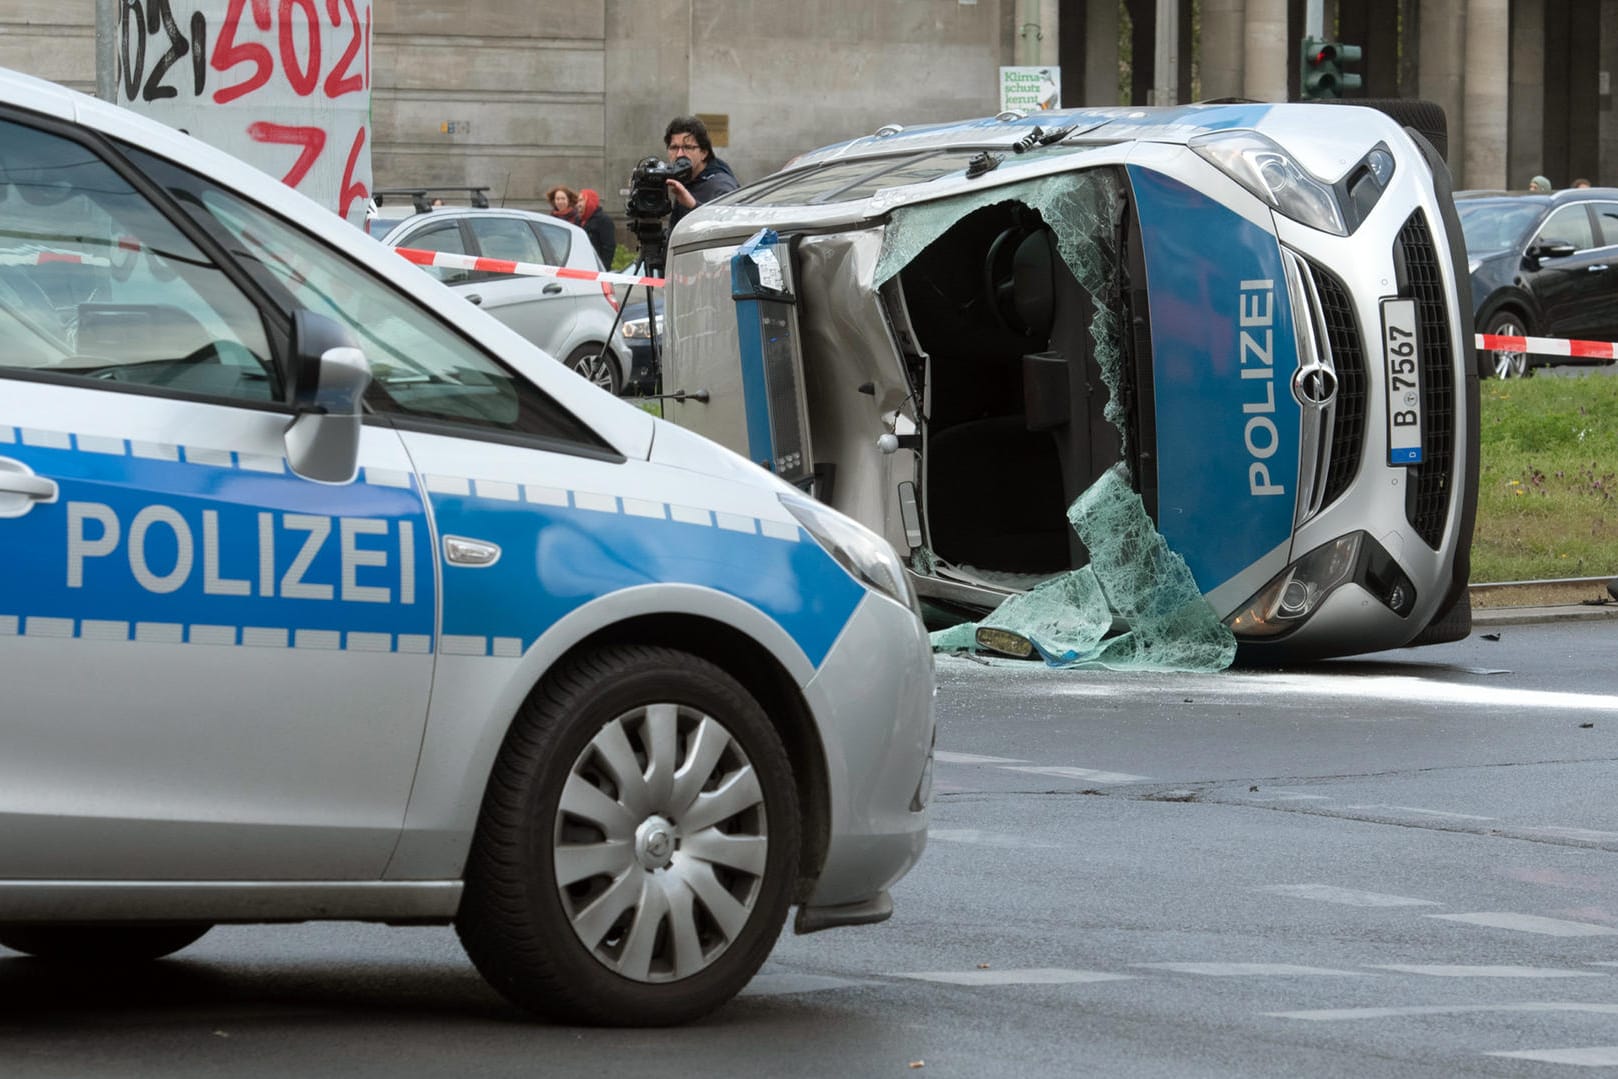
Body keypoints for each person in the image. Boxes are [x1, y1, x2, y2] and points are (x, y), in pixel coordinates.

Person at [663, 115, 738, 227]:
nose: (679, 155)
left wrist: (693, 205)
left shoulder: (721, 186)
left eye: (687, 147)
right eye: (674, 148)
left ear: (704, 153)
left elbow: (731, 227)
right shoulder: (685, 178)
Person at [575, 187, 617, 267]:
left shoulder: (604, 220)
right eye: (578, 201)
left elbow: (609, 248)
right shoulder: (578, 220)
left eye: (581, 200)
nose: (578, 205)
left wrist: (603, 269)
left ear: (590, 201)